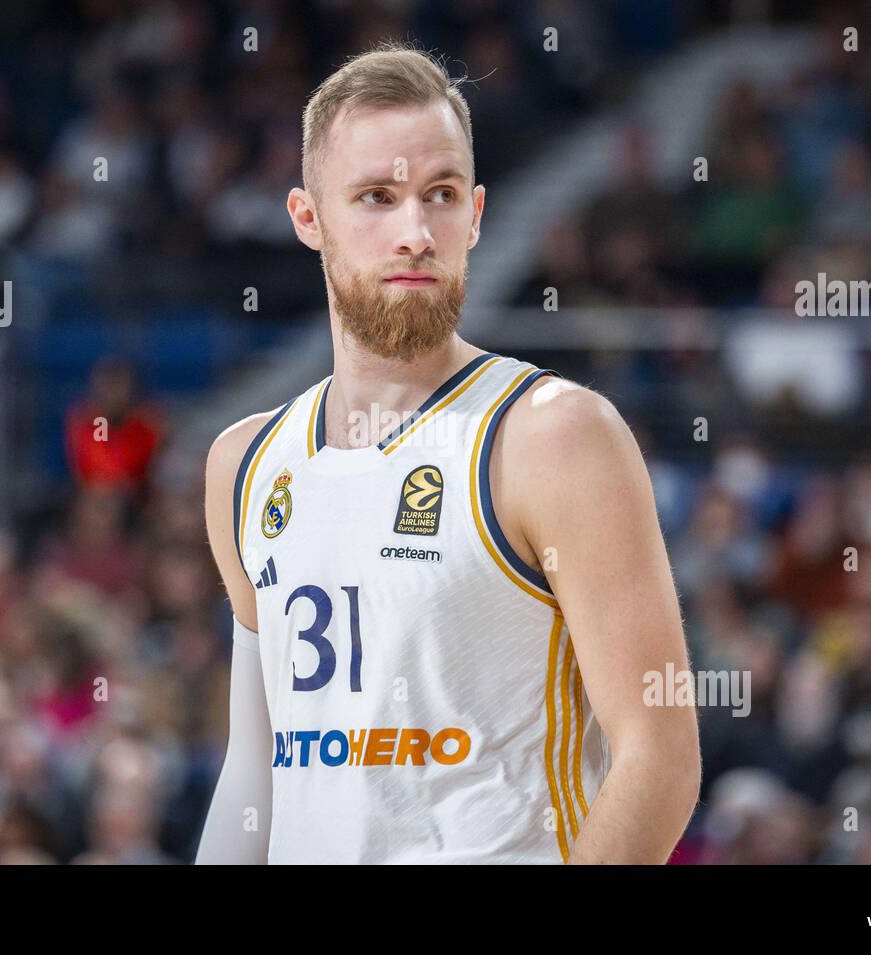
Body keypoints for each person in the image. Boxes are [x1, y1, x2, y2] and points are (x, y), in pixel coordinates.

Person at [195, 43, 700, 864]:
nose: (416, 233)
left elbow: (660, 759)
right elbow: (257, 774)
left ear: (476, 213)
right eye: (376, 198)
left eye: (440, 194)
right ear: (306, 217)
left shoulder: (555, 434)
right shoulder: (242, 465)